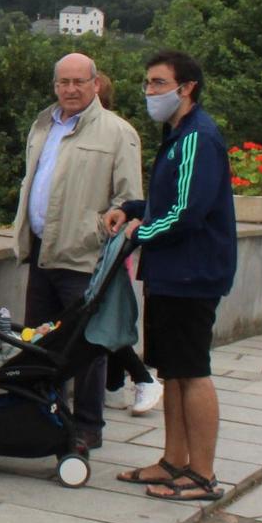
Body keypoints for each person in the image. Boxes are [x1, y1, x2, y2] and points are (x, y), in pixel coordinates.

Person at [104, 50, 237, 504]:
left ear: (187, 88)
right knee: (173, 372)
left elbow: (186, 214)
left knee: (193, 371)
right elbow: (166, 204)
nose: (150, 92)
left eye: (159, 83)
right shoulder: (177, 135)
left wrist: (141, 233)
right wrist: (133, 210)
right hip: (170, 273)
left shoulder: (198, 138)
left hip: (191, 273)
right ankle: (173, 460)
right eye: (148, 83)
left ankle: (202, 473)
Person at [11, 52, 146, 450]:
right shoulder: (42, 126)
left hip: (85, 256)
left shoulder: (118, 132)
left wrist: (102, 229)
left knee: (87, 348)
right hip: (41, 251)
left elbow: (129, 200)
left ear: (95, 84)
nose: (70, 90)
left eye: (78, 82)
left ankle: (87, 429)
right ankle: (43, 420)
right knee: (39, 341)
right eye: (63, 82)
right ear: (55, 86)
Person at [92, 71, 164, 416]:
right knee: (101, 318)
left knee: (104, 319)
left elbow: (129, 195)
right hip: (101, 244)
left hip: (106, 245)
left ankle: (141, 378)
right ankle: (114, 385)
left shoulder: (118, 134)